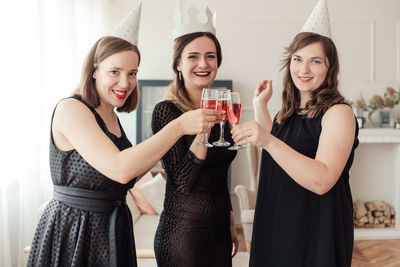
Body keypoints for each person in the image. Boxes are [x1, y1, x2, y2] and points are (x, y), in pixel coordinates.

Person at [27, 32, 220, 267]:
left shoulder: (110, 115)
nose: (125, 82)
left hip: (111, 226)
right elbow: (121, 170)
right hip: (74, 229)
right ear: (94, 70)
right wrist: (178, 126)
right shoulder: (71, 108)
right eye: (114, 72)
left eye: (132, 73)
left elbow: (130, 176)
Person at [231, 28, 359, 267]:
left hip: (315, 229)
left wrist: (268, 140)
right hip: (278, 219)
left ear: (330, 68)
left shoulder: (339, 113)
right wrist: (260, 107)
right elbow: (279, 153)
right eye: (297, 59)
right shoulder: (287, 113)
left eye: (315, 61)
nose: (304, 69)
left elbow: (322, 181)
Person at [151, 27, 239, 266]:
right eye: (193, 56)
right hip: (183, 236)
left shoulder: (222, 108)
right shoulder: (166, 111)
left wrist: (230, 220)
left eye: (210, 56)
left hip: (219, 234)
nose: (203, 63)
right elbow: (181, 181)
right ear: (178, 64)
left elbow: (219, 173)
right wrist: (203, 129)